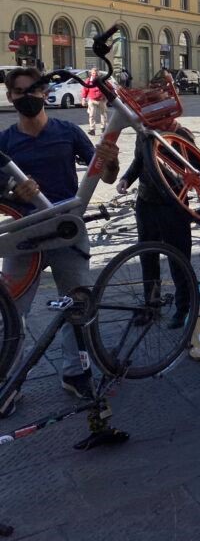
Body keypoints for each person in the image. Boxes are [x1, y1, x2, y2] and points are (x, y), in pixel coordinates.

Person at [0, 67, 119, 412]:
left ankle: (76, 373)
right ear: (10, 97)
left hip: (68, 230)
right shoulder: (5, 142)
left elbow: (106, 176)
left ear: (44, 92)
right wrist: (12, 189)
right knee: (12, 311)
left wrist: (110, 162)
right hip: (26, 236)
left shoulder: (68, 132)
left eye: (33, 90)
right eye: (19, 92)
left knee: (79, 304)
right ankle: (8, 381)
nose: (27, 97)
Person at [116, 73, 195, 330]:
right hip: (146, 203)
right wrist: (126, 179)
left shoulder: (181, 134)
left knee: (178, 258)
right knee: (147, 256)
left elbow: (198, 169)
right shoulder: (145, 135)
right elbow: (139, 162)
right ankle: (150, 306)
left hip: (174, 206)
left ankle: (183, 308)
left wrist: (190, 181)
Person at [83, 68, 107, 136]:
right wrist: (83, 98)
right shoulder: (88, 81)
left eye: (96, 74)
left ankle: (103, 128)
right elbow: (85, 89)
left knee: (103, 114)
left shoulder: (102, 80)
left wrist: (106, 96)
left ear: (98, 74)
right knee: (91, 115)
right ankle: (92, 129)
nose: (95, 75)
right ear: (91, 74)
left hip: (101, 100)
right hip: (92, 100)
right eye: (93, 73)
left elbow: (107, 88)